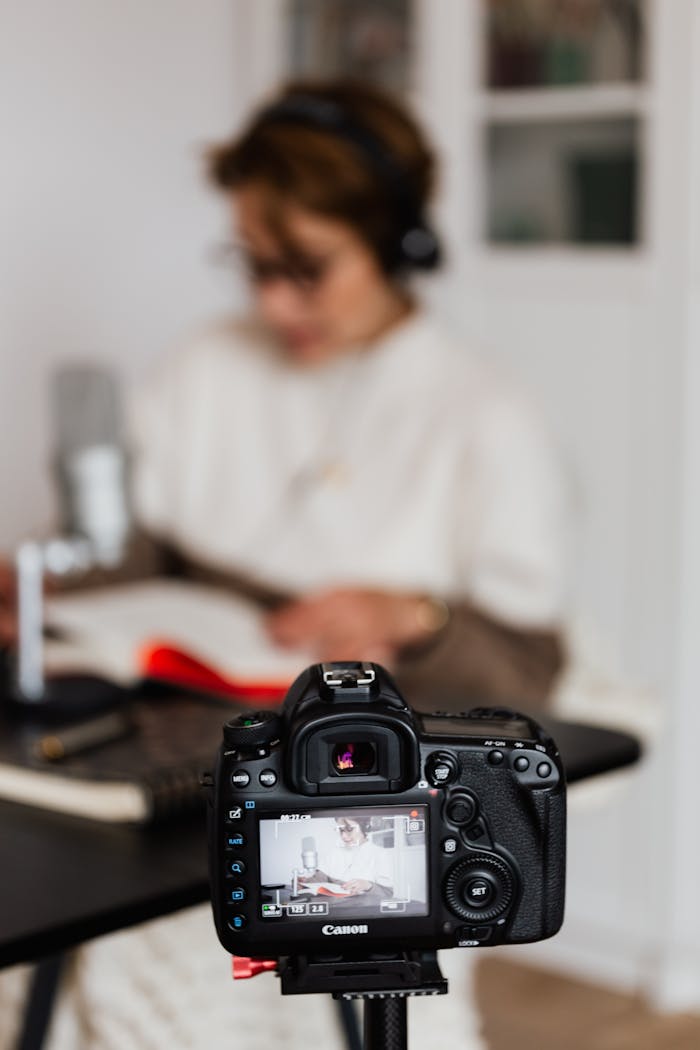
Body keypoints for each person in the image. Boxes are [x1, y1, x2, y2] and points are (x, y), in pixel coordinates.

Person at [0, 79, 569, 1050]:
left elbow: (526, 667)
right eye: (254, 266)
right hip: (176, 754)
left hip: (356, 802)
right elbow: (136, 549)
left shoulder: (483, 412)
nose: (273, 300)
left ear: (398, 244)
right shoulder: (203, 363)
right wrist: (32, 586)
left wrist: (417, 615)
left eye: (305, 268)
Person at [300, 817, 394, 899]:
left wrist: (368, 885)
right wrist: (305, 882)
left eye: (349, 829)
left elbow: (388, 893)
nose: (343, 836)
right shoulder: (334, 852)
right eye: (341, 830)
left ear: (365, 826)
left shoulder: (380, 854)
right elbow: (320, 878)